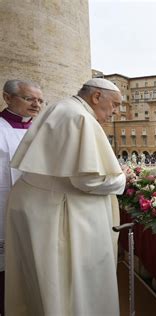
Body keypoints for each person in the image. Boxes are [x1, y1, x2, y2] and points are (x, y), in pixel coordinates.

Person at [5, 78, 125, 315]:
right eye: (115, 104)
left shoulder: (63, 108)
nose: (116, 112)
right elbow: (87, 180)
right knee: (63, 283)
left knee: (40, 283)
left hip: (39, 206)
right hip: (53, 213)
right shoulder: (79, 117)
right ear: (96, 96)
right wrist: (121, 179)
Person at [0, 79, 44, 316]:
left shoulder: (41, 131)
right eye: (30, 99)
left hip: (34, 208)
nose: (36, 105)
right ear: (7, 97)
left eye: (40, 100)